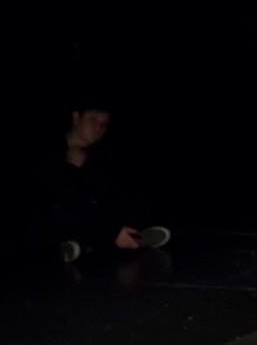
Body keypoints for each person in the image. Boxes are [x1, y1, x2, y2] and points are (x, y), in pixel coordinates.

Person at [30, 95, 171, 264]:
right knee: (64, 215)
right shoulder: (49, 149)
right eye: (93, 120)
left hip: (92, 219)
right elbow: (56, 196)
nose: (99, 128)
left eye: (104, 124)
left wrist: (86, 167)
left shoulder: (101, 155)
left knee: (136, 204)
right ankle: (123, 240)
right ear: (76, 118)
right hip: (59, 217)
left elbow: (110, 193)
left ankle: (93, 243)